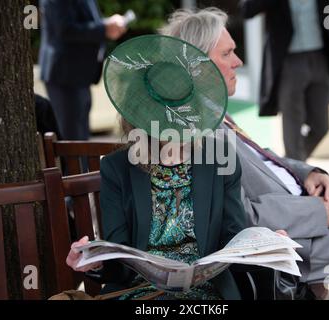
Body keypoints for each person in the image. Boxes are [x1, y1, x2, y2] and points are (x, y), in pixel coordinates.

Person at [159, 7, 329, 298]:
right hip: (292, 236)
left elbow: (263, 158)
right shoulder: (195, 136)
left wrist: (308, 172)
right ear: (196, 65)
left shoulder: (216, 115)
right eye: (227, 54)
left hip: (304, 204)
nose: (238, 62)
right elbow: (240, 217)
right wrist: (315, 212)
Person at [65, 34, 286, 300]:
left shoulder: (218, 159)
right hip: (139, 293)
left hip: (209, 293)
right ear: (138, 115)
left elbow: (233, 237)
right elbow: (118, 261)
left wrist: (265, 246)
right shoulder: (117, 168)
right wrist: (95, 261)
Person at [240, 0, 329, 161]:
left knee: (321, 126)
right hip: (289, 62)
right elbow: (246, 10)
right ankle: (294, 166)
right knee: (292, 125)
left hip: (320, 58)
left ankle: (291, 165)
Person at [38, 0, 127, 141]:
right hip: (65, 75)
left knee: (81, 139)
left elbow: (85, 20)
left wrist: (108, 25)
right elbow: (65, 30)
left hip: (81, 75)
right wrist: (104, 29)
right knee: (72, 140)